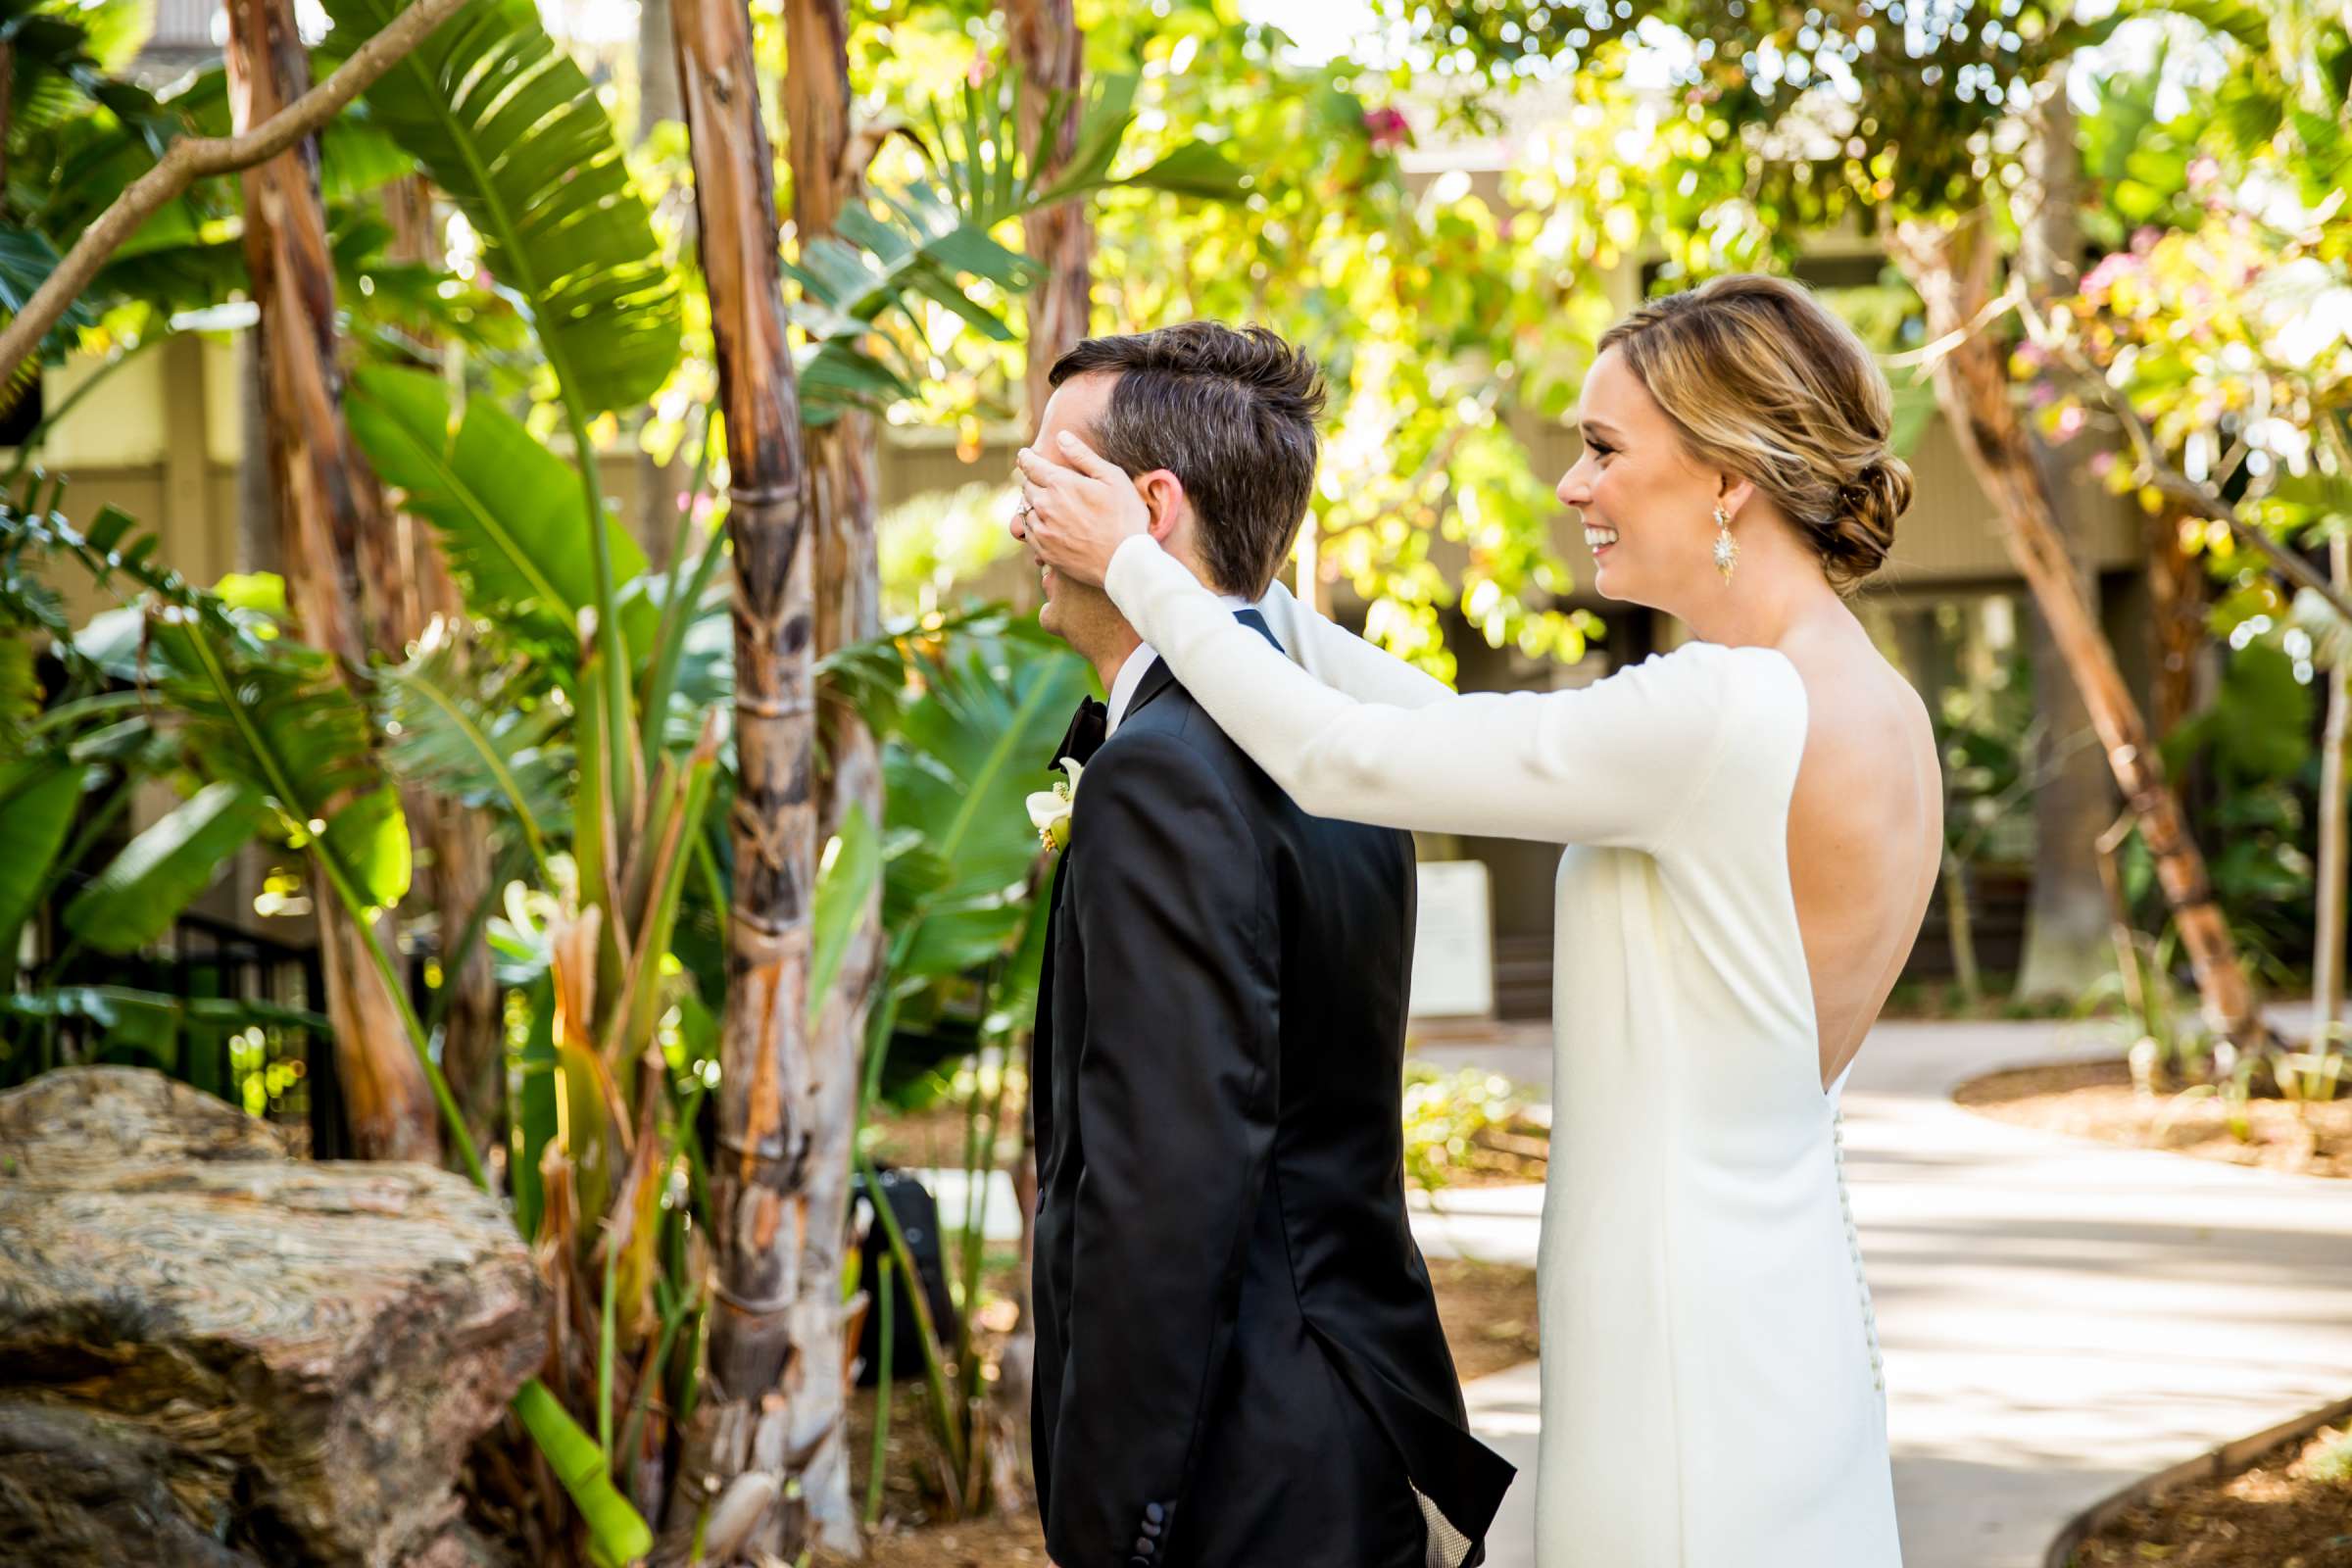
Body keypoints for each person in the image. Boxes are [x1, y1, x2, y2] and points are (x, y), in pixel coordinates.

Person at [1015, 275, 1941, 1566]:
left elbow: (1349, 755)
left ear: (1728, 478)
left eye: (1605, 448)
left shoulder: (1726, 713)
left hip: (1683, 1346)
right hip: (1780, 1313)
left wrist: (1136, 561)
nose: (1572, 485)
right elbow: (1421, 726)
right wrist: (1214, 562)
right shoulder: (1867, 703)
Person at [1014, 321, 1516, 1568]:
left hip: (1227, 1475)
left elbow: (1161, 1186)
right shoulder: (1342, 752)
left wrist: (1117, 1513)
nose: (1018, 516)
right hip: (1347, 1428)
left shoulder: (1161, 775)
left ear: (1148, 507)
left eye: (1043, 478)